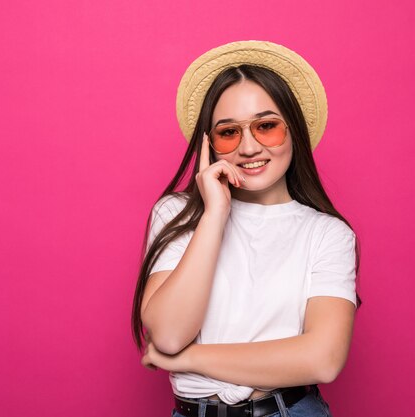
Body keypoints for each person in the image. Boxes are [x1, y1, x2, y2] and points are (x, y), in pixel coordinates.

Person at [131, 40, 362, 417]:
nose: (250, 147)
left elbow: (323, 359)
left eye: (266, 126)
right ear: (210, 145)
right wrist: (214, 215)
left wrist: (184, 359)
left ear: (294, 131)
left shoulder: (328, 234)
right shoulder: (175, 214)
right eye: (229, 132)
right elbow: (169, 333)